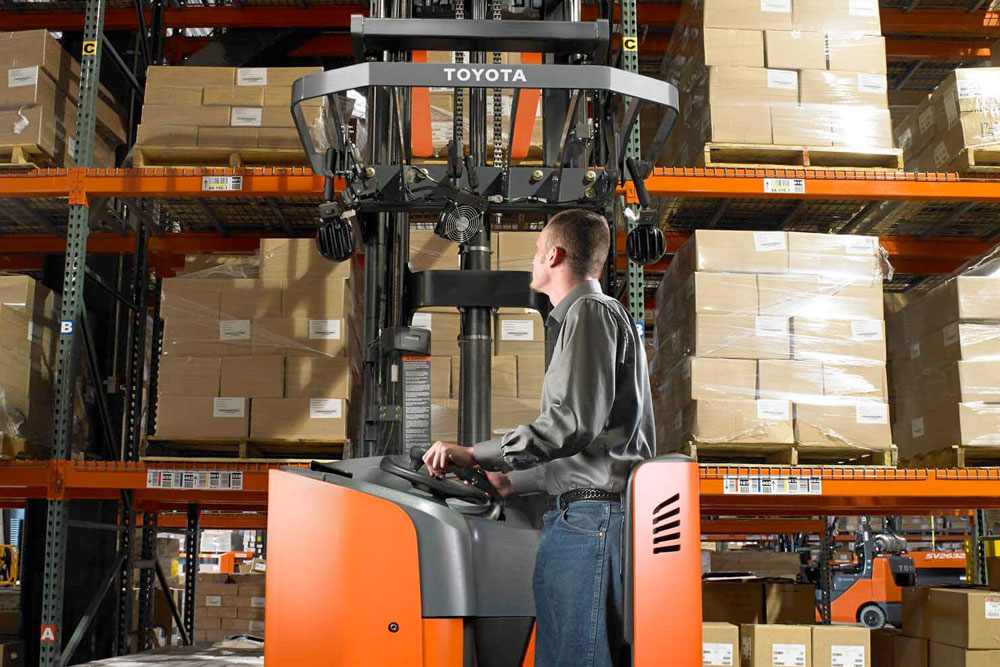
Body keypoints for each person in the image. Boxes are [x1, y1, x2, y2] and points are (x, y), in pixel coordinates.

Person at [423, 208, 655, 667]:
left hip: (590, 520)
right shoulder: (587, 318)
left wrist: (473, 453)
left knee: (576, 659)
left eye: (535, 251)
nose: (532, 260)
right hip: (581, 517)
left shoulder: (590, 312)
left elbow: (572, 426)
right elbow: (589, 442)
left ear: (554, 255)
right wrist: (513, 481)